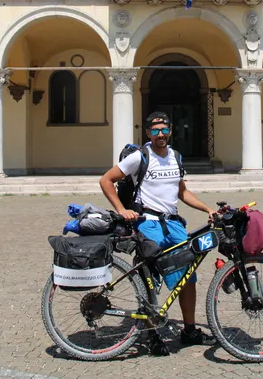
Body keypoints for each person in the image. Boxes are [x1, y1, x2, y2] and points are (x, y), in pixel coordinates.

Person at [99, 111, 217, 356]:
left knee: (188, 276)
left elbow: (182, 192)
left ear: (171, 131)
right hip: (148, 223)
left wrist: (207, 208)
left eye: (164, 130)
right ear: (148, 133)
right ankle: (151, 334)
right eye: (155, 131)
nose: (160, 134)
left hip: (174, 225)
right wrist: (122, 210)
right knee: (149, 277)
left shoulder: (176, 156)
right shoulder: (138, 157)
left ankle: (189, 330)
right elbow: (106, 180)